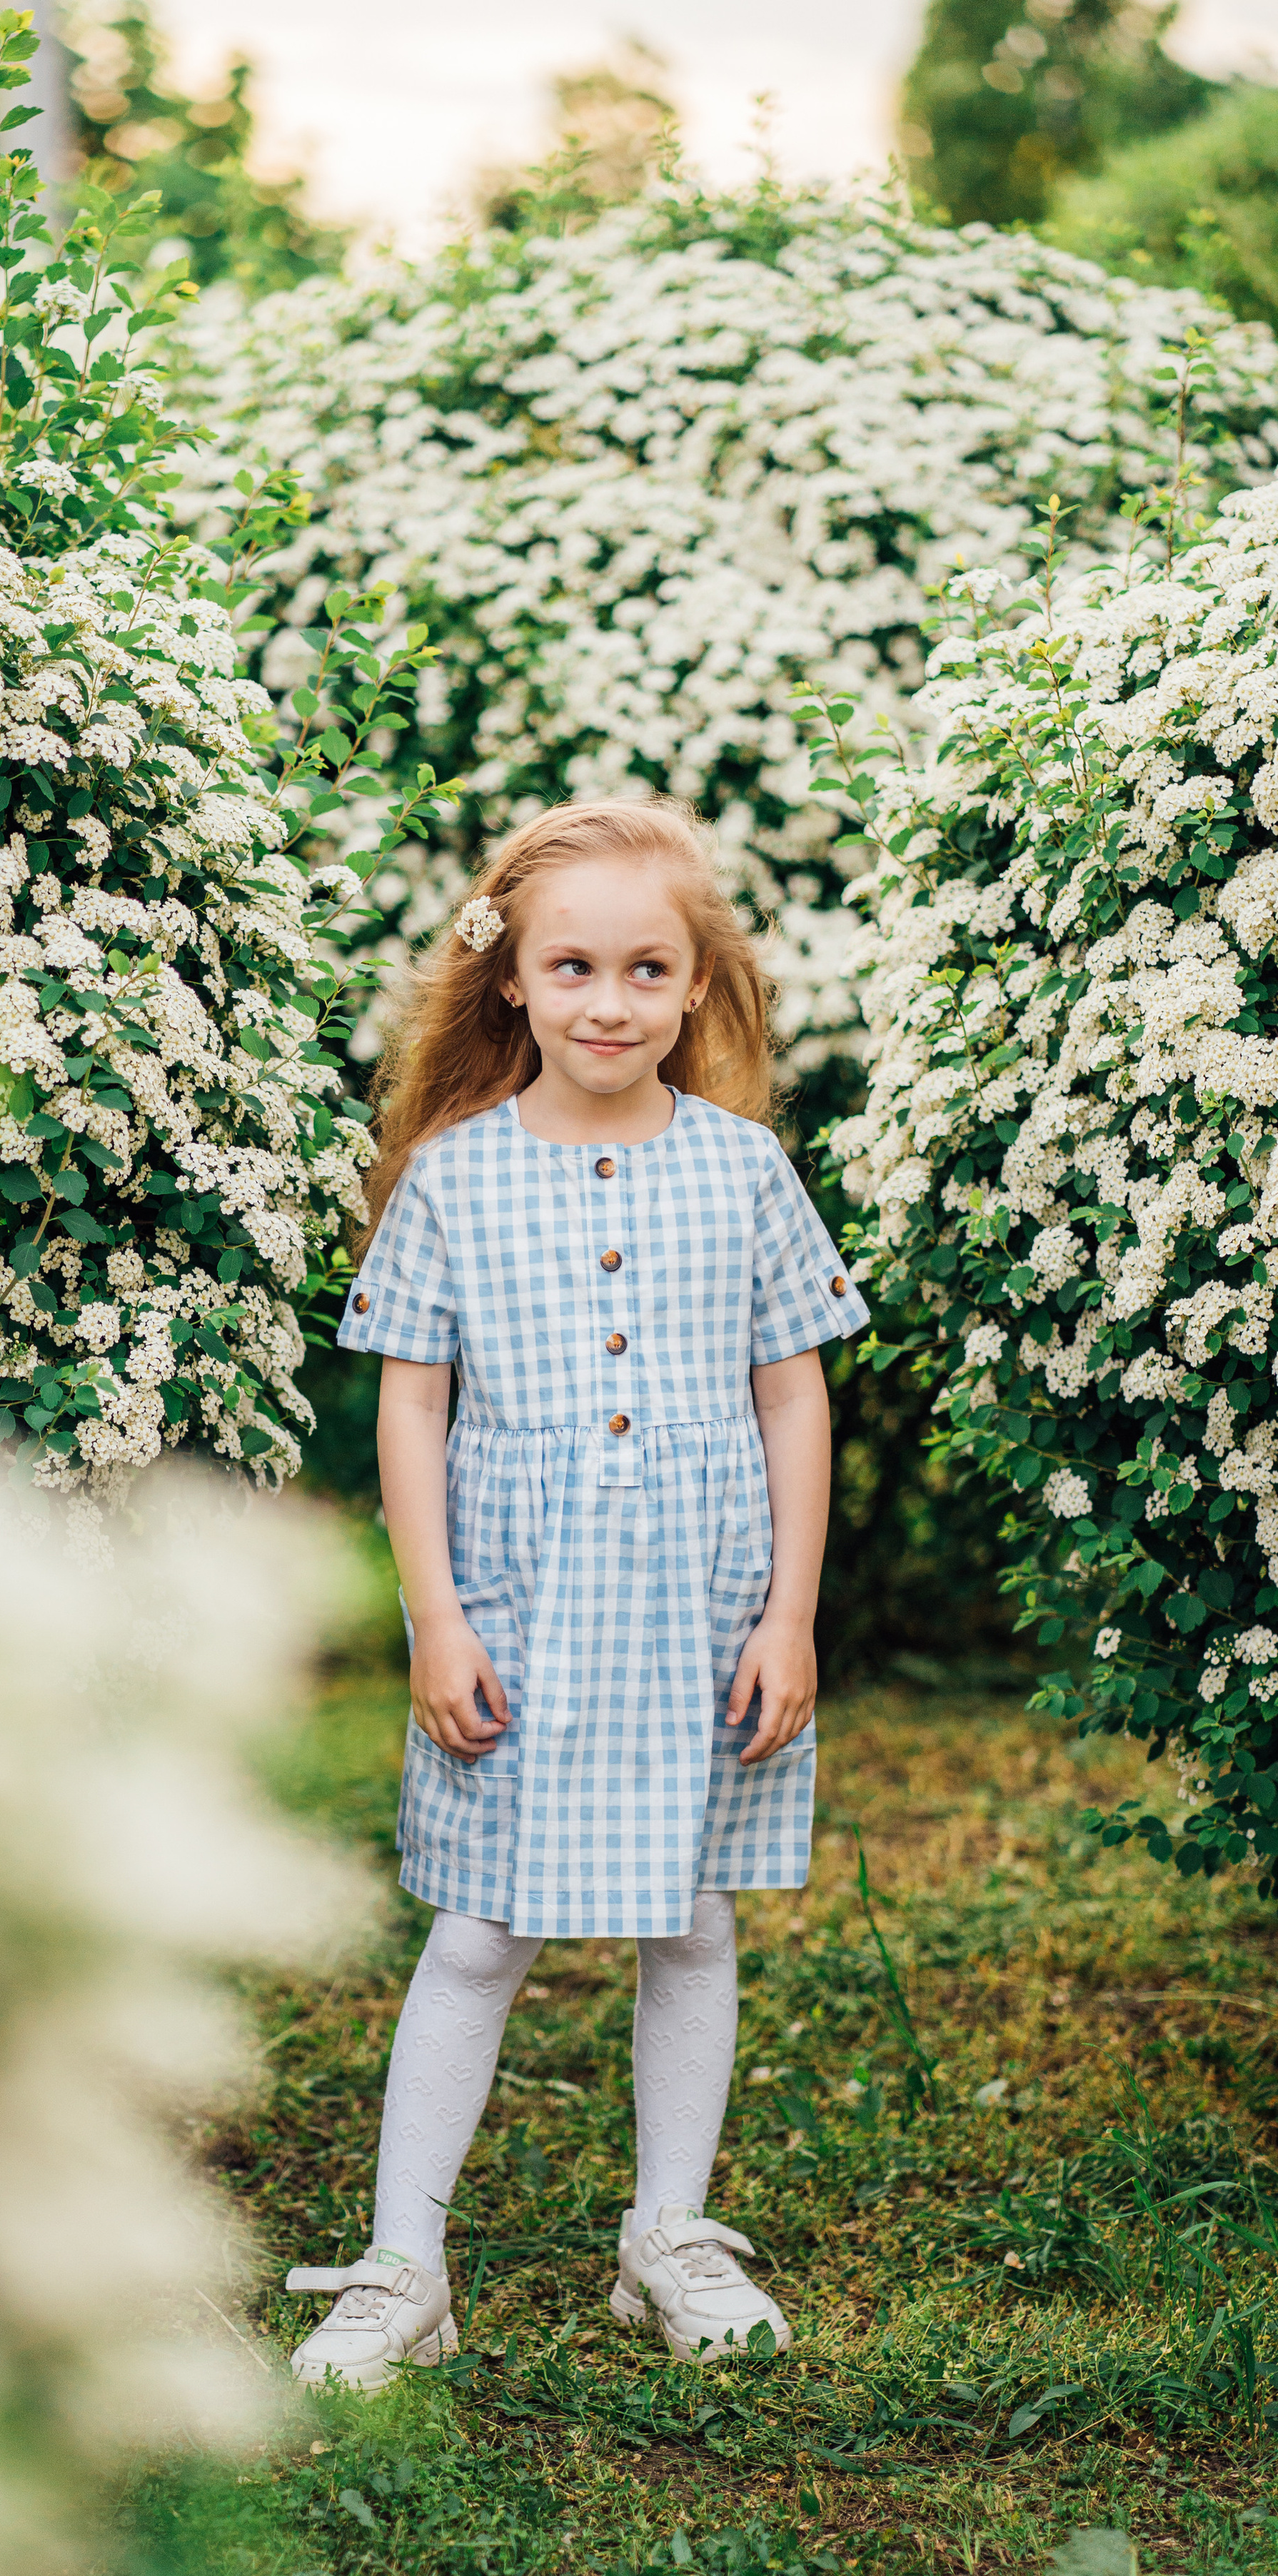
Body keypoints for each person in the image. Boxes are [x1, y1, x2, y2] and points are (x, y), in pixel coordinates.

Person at [283, 797, 869, 2392]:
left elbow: (793, 1395)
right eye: (571, 967)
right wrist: (436, 1616)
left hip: (699, 1607)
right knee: (477, 1936)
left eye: (642, 969)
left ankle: (662, 2236)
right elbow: (409, 1404)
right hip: (520, 1608)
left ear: (695, 989)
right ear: (510, 984)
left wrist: (789, 1614)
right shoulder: (454, 1181)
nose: (605, 1002)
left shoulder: (742, 1171)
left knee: (688, 1924)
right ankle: (407, 2264)